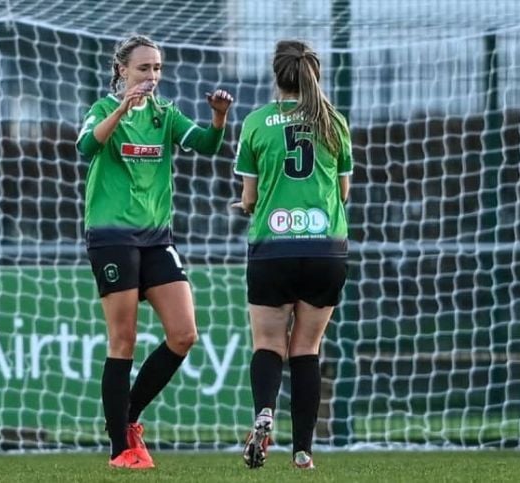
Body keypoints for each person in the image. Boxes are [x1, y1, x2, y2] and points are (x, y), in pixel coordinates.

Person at [75, 34, 233, 469]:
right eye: (144, 68)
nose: (152, 76)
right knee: (123, 340)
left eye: (157, 69)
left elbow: (205, 144)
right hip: (112, 237)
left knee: (184, 333)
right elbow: (86, 146)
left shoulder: (165, 116)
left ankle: (128, 419)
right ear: (122, 70)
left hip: (157, 238)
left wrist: (217, 119)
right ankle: (119, 449)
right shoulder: (105, 110)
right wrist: (123, 108)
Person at [232, 39, 353, 470]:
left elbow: (249, 197)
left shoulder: (256, 123)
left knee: (268, 342)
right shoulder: (333, 121)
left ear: (276, 75)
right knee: (307, 348)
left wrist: (250, 205)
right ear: (312, 74)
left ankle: (264, 412)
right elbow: (341, 192)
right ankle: (303, 450)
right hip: (326, 248)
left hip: (272, 248)